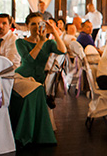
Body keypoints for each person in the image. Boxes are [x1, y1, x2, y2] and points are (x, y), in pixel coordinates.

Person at [9, 13, 66, 146]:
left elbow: (62, 50)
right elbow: (28, 60)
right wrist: (40, 41)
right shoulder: (20, 42)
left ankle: (36, 134)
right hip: (21, 77)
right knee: (35, 91)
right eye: (32, 24)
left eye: (39, 24)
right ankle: (24, 135)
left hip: (38, 79)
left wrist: (54, 32)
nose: (36, 27)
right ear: (27, 26)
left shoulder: (49, 43)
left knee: (38, 89)